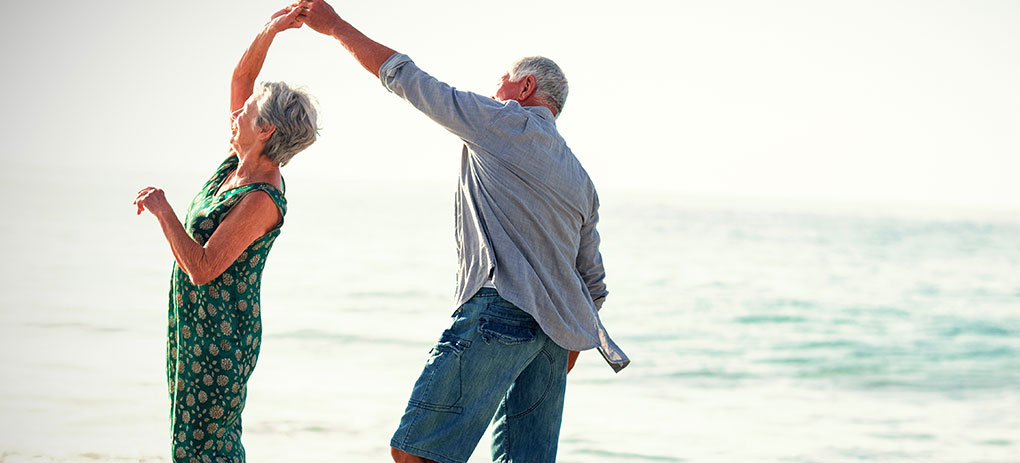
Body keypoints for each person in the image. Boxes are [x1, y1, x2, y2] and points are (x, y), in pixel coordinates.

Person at [296, 2, 628, 462]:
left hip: (500, 312)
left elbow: (408, 79)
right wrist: (560, 350)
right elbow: (593, 283)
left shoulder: (501, 121)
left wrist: (335, 26)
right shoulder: (580, 178)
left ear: (525, 87)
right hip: (556, 337)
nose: (493, 91)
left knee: (416, 453)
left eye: (502, 81)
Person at [133, 6, 317, 462]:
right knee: (191, 443)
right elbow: (242, 77)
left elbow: (202, 268)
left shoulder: (261, 198)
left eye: (246, 113)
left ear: (265, 130)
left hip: (221, 336)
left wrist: (163, 211)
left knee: (205, 449)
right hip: (193, 323)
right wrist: (272, 29)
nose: (236, 115)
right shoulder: (238, 163)